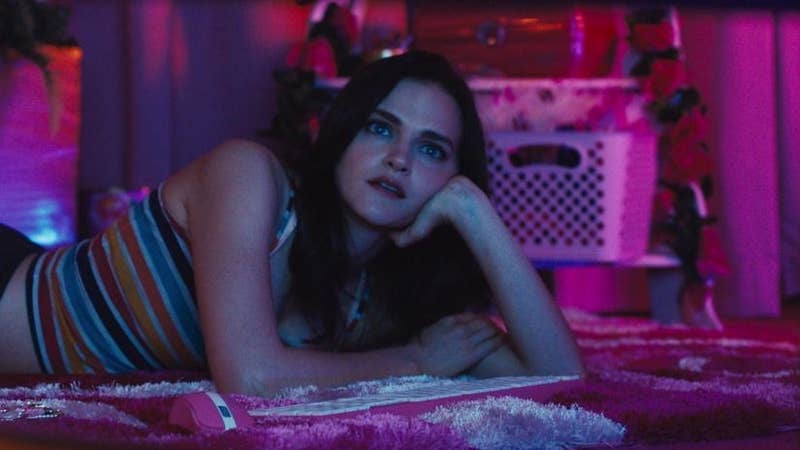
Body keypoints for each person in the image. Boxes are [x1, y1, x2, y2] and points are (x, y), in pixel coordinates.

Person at [0, 51, 584, 396]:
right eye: (380, 128)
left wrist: (474, 212)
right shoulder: (249, 177)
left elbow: (560, 380)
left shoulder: (385, 297)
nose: (399, 159)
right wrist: (416, 362)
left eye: (432, 149)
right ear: (341, 133)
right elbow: (250, 378)